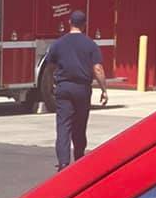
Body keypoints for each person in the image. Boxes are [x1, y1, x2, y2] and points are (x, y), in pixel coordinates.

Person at [42, 11, 108, 170]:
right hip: (82, 89)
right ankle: (79, 157)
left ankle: (64, 162)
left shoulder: (58, 43)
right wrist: (104, 90)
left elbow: (50, 68)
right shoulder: (90, 44)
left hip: (63, 87)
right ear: (84, 24)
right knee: (80, 124)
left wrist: (51, 86)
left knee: (63, 125)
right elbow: (97, 68)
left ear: (69, 22)